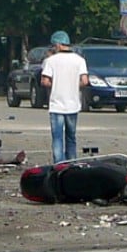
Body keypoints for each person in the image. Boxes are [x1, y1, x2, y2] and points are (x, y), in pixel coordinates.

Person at [40, 30, 89, 163]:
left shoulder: (50, 61)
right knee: (71, 136)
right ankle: (71, 163)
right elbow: (85, 81)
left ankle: (59, 165)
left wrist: (55, 83)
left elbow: (44, 81)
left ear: (58, 45)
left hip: (56, 105)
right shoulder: (80, 60)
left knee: (57, 137)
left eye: (54, 45)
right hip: (73, 104)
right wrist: (72, 84)